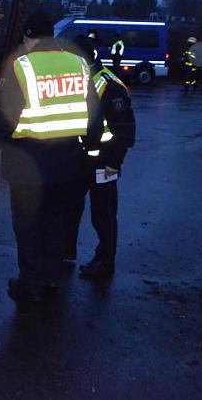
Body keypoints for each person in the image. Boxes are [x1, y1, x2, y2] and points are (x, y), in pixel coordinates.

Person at [0, 13, 103, 304]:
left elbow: (1, 119)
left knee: (28, 224)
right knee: (56, 221)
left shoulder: (21, 68)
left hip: (29, 163)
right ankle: (51, 279)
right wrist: (92, 154)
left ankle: (30, 284)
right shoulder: (78, 64)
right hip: (68, 162)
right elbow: (95, 117)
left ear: (30, 38)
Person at [64, 35, 136, 278]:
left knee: (102, 213)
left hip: (104, 161)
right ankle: (66, 252)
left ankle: (105, 261)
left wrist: (114, 164)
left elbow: (125, 129)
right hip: (81, 159)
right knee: (71, 206)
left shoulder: (108, 85)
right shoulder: (80, 80)